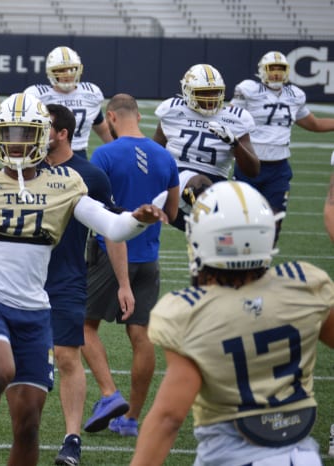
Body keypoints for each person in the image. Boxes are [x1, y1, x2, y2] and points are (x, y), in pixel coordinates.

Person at [0, 93, 167, 466]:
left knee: (28, 423)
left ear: (44, 136)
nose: (17, 141)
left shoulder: (66, 183)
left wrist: (139, 217)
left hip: (36, 311)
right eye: (10, 132)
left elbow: (112, 227)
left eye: (26, 133)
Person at [130, 180, 334, 466]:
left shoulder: (188, 311)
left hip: (230, 457)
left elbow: (168, 418)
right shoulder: (305, 285)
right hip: (301, 457)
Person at [81, 93, 179, 438]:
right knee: (140, 336)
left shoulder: (104, 154)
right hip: (149, 258)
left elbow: (97, 211)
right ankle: (132, 418)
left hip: (111, 253)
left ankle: (110, 394)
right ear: (138, 115)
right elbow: (173, 212)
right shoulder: (165, 156)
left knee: (82, 325)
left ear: (111, 117)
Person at [38, 104, 117, 465]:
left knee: (68, 355)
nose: (38, 134)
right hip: (24, 275)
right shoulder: (25, 169)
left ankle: (71, 439)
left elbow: (113, 231)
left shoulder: (91, 176)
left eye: (45, 128)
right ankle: (27, 424)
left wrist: (126, 284)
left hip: (68, 276)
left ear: (63, 133)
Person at [231, 51, 334, 245]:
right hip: (249, 164)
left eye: (281, 69)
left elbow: (315, 124)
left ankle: (264, 260)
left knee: (275, 221)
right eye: (272, 69)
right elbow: (231, 117)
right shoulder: (249, 90)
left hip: (278, 168)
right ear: (262, 70)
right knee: (242, 218)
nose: (276, 74)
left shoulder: (294, 95)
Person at [153, 63, 260, 231]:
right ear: (187, 91)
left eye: (215, 92)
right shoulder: (173, 111)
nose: (210, 98)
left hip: (216, 185)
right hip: (177, 180)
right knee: (198, 184)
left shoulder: (237, 118)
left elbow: (253, 170)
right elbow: (154, 154)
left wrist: (235, 143)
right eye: (203, 93)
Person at [24, 46, 112, 159]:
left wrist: (119, 151)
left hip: (79, 155)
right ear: (51, 72)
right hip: (46, 155)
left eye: (71, 69)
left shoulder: (90, 94)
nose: (67, 74)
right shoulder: (38, 95)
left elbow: (103, 129)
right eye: (61, 70)